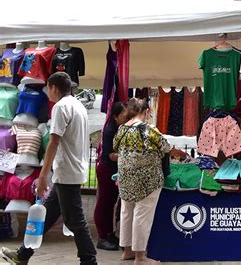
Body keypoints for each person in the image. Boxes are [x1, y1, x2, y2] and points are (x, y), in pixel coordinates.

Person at [1, 72, 97, 264]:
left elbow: (54, 142)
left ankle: (89, 260)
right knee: (47, 214)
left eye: (48, 88)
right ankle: (23, 255)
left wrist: (43, 176)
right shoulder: (77, 105)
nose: (47, 93)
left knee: (75, 220)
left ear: (53, 87)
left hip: (66, 172)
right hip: (72, 170)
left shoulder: (61, 107)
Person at [114, 98, 170, 265]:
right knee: (142, 215)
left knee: (127, 212)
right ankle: (140, 257)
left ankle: (127, 251)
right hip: (147, 180)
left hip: (125, 178)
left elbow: (115, 147)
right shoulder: (148, 130)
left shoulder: (122, 129)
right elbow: (165, 147)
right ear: (146, 112)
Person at [94, 102, 128, 251]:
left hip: (114, 171)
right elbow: (111, 155)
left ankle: (109, 233)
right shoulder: (110, 131)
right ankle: (102, 236)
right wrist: (129, 155)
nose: (126, 118)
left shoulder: (120, 129)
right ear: (115, 116)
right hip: (107, 170)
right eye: (124, 116)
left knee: (111, 203)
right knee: (104, 203)